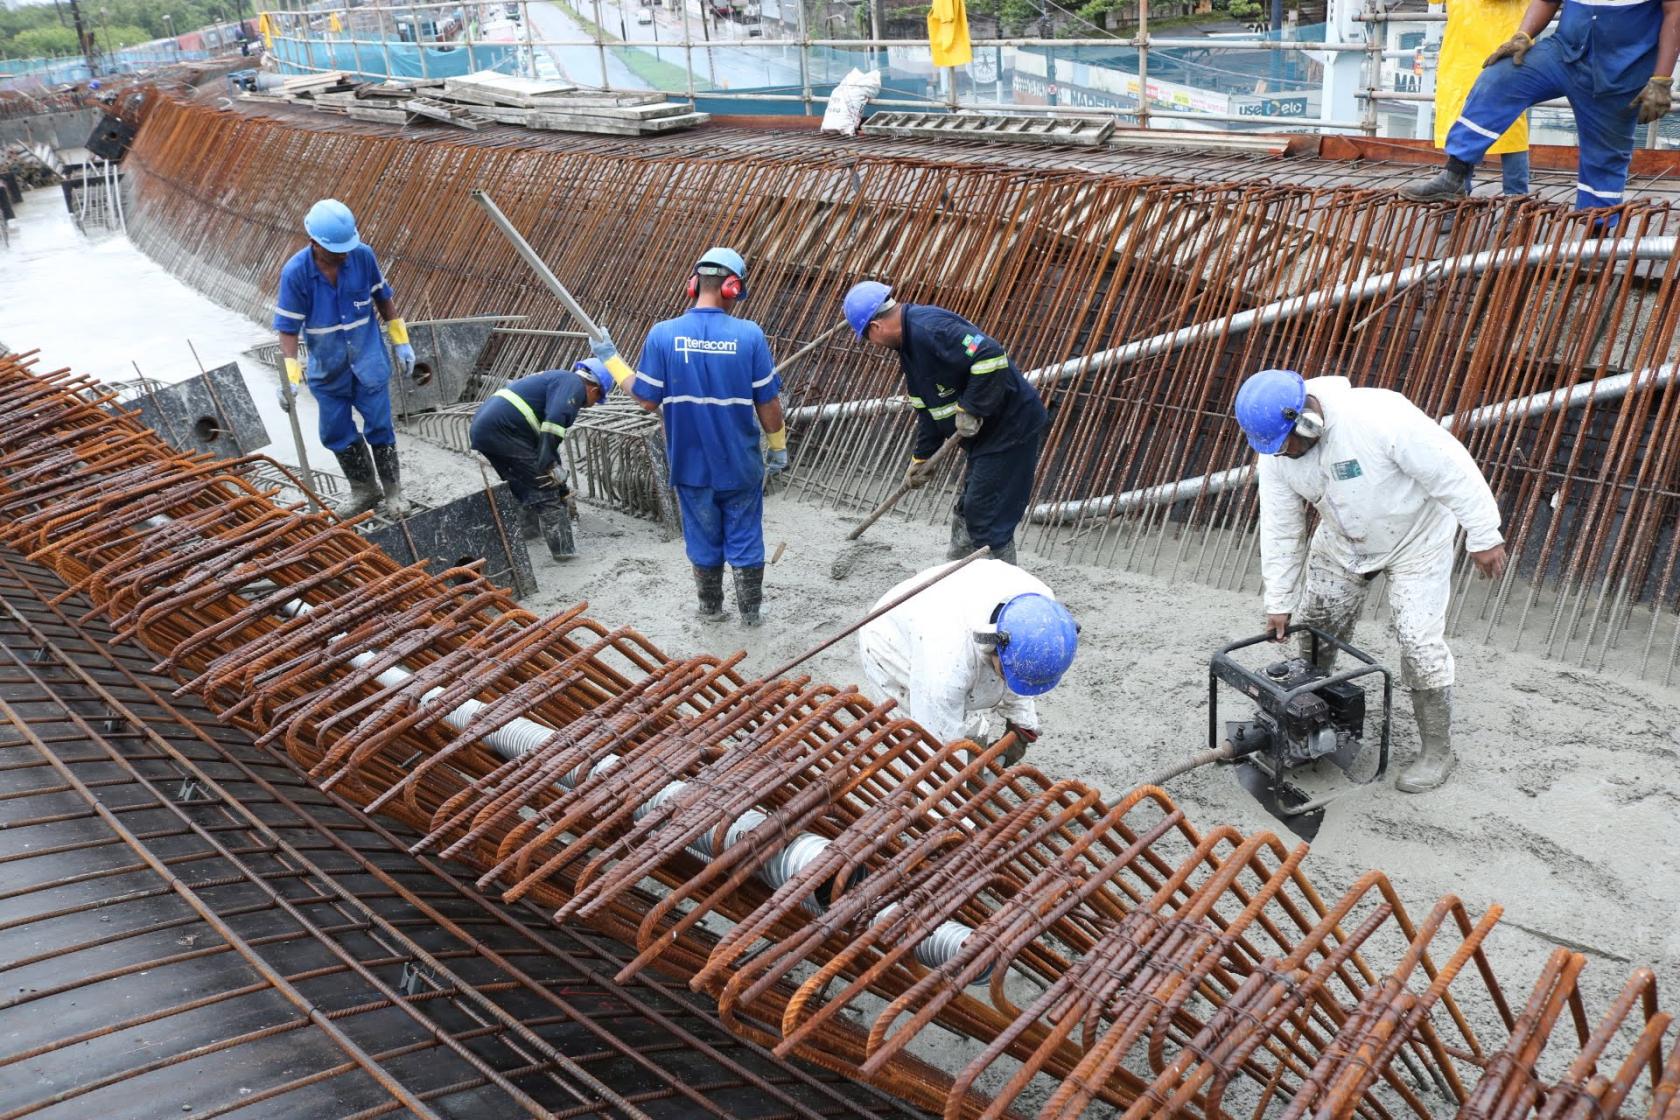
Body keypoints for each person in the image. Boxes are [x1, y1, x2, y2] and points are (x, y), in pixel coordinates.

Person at [1233, 368, 1508, 794]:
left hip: (1416, 537)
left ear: (1308, 419)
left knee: (1419, 643)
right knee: (1315, 628)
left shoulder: (1378, 417)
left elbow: (1451, 470)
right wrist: (1279, 600)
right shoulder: (1275, 456)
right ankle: (1310, 715)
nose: (1282, 453)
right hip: (1342, 541)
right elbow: (1281, 526)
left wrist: (1484, 533)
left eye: (1287, 443)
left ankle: (1437, 751)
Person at [593, 247, 788, 626]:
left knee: (702, 536)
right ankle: (751, 615)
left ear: (694, 284)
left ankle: (710, 611)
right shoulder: (749, 336)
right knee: (745, 535)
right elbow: (769, 404)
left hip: (689, 465)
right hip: (741, 463)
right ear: (733, 288)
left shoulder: (663, 334)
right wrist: (778, 448)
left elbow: (647, 399)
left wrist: (611, 359)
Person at [842, 281, 1049, 566]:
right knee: (970, 508)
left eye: (867, 338)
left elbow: (989, 354)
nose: (873, 345)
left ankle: (1003, 583)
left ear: (876, 327)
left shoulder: (931, 329)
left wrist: (971, 407)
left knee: (986, 514)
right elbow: (927, 410)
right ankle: (958, 569)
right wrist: (921, 458)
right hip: (985, 435)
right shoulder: (909, 348)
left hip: (1010, 427)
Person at [1402, 0, 1680, 209]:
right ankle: (1454, 176)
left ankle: (1596, 236)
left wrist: (1661, 79)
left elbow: (1674, 11)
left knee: (1605, 160)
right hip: (1564, 52)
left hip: (1620, 71)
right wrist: (1523, 35)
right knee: (1501, 78)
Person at [274, 198, 418, 518]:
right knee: (335, 432)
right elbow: (287, 329)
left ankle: (394, 491)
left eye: (346, 247)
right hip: (329, 370)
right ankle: (365, 490)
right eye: (335, 249)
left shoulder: (362, 256)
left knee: (380, 428)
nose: (343, 254)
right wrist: (290, 376)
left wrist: (401, 342)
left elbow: (384, 299)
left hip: (368, 362)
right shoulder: (296, 274)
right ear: (314, 242)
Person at [857, 558, 1079, 765]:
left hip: (958, 619)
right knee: (921, 748)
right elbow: (939, 749)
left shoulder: (1041, 609)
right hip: (890, 640)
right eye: (1006, 672)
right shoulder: (945, 663)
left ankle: (973, 771)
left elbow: (1023, 665)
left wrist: (1021, 722)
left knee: (972, 718)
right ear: (992, 643)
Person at [469, 359, 614, 562]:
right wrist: (549, 467)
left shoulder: (557, 378)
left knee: (523, 483)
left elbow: (543, 439)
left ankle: (529, 533)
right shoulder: (573, 384)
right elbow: (555, 421)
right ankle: (564, 553)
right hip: (503, 430)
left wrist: (558, 475)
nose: (591, 405)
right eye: (597, 399)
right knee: (546, 486)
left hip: (488, 429)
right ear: (594, 389)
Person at [1433, 0, 1532, 197]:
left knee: (1512, 127)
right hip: (1461, 57)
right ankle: (1457, 197)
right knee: (1462, 125)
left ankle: (1516, 201)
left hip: (1505, 50)